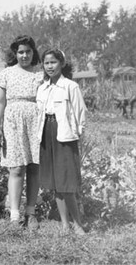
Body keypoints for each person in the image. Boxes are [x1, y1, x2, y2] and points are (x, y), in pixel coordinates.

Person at [0, 35, 42, 230]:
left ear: (33, 52)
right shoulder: (6, 74)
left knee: (34, 167)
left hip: (35, 122)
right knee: (16, 168)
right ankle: (14, 215)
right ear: (15, 53)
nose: (24, 55)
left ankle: (31, 213)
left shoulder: (39, 75)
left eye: (28, 51)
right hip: (13, 123)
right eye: (21, 52)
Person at [37, 48, 87, 235]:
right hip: (46, 132)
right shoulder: (42, 88)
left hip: (65, 133)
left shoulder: (70, 86)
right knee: (57, 182)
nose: (50, 66)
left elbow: (80, 113)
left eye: (53, 62)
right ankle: (65, 224)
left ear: (62, 64)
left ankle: (78, 224)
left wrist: (78, 133)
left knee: (67, 180)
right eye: (46, 63)